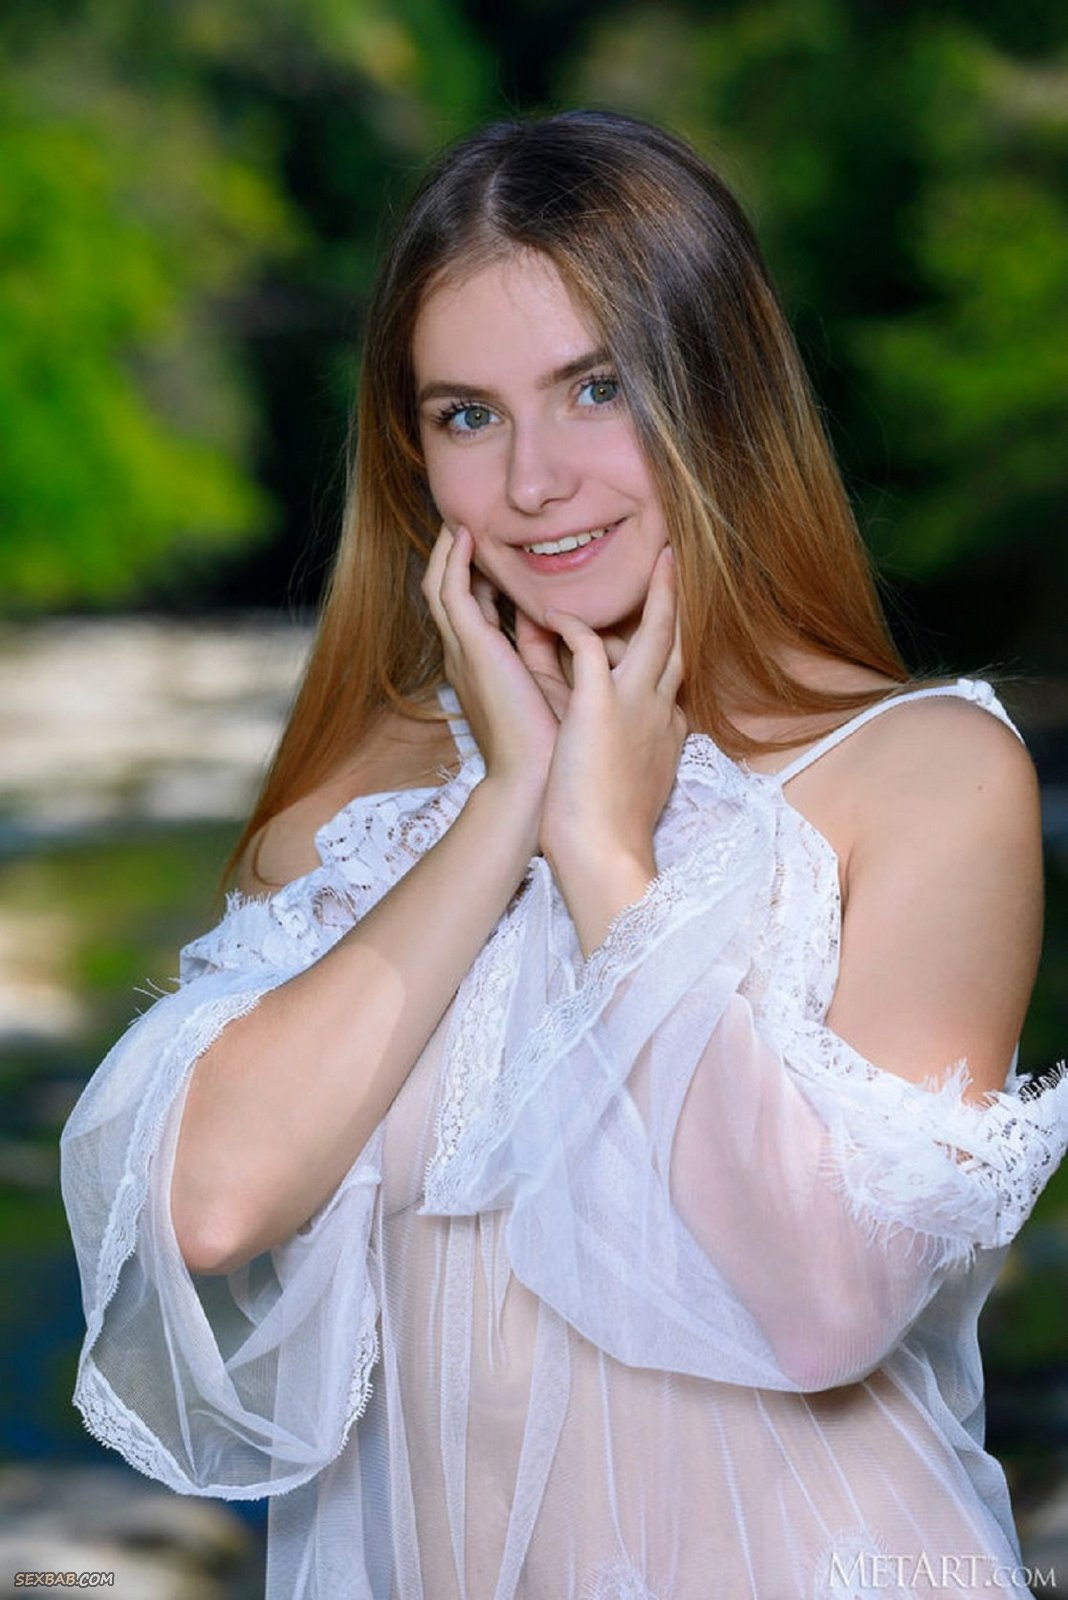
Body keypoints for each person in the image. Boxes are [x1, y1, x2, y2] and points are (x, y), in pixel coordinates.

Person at [62, 110, 1067, 1600]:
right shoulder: (364, 810)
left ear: (720, 394)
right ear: (414, 458)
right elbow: (208, 1206)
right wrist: (509, 802)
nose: (534, 481)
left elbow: (824, 1306)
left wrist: (605, 856)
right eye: (468, 415)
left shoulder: (925, 774)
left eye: (597, 389)